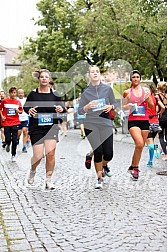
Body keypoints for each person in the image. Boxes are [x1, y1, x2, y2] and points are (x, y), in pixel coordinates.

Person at [24, 69, 65, 190]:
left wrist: (60, 109)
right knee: (38, 156)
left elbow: (62, 108)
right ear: (39, 79)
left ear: (49, 79)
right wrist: (29, 110)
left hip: (51, 127)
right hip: (36, 127)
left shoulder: (55, 94)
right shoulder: (33, 94)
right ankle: (32, 170)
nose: (44, 79)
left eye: (46, 77)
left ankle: (48, 180)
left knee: (50, 154)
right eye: (42, 77)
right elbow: (25, 107)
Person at [78, 65, 117, 189]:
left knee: (109, 154)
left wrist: (112, 107)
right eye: (92, 72)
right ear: (89, 75)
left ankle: (94, 158)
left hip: (105, 123)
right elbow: (79, 110)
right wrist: (86, 107)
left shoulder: (107, 89)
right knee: (99, 151)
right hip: (91, 123)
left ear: (100, 74)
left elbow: (115, 103)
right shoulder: (85, 91)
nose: (95, 74)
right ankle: (99, 178)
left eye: (97, 72)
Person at [123, 70, 154, 180]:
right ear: (131, 79)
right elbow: (123, 106)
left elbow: (151, 106)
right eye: (133, 77)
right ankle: (135, 168)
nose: (135, 79)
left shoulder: (146, 91)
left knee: (140, 147)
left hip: (144, 120)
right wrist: (129, 105)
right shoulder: (127, 92)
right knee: (140, 143)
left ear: (140, 79)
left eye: (137, 77)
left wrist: (147, 98)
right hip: (133, 121)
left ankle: (133, 166)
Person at [0, 87, 23, 162]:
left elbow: (21, 111)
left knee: (15, 140)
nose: (13, 94)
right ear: (9, 93)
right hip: (6, 122)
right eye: (12, 92)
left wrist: (18, 111)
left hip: (15, 122)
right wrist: (2, 116)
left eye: (14, 93)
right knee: (8, 139)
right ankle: (7, 143)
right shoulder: (4, 101)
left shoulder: (18, 102)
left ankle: (13, 155)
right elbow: (0, 109)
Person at [146, 84, 165, 168]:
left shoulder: (144, 99)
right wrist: (159, 113)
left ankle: (154, 150)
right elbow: (163, 107)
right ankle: (150, 160)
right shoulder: (156, 97)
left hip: (147, 122)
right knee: (152, 140)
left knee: (149, 143)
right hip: (156, 122)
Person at [157, 82, 167, 161]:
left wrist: (160, 113)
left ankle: (165, 153)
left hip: (162, 117)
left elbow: (160, 108)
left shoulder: (157, 96)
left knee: (160, 136)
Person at [17, 89, 29, 153]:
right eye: (19, 93)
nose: (20, 94)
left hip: (25, 118)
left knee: (25, 131)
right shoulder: (15, 100)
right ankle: (17, 139)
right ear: (17, 93)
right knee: (18, 133)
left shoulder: (26, 100)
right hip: (17, 119)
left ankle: (24, 146)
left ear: (23, 93)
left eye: (22, 93)